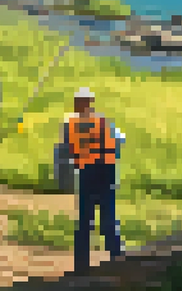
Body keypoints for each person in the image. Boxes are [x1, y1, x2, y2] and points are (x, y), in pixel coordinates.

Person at [60, 88, 125, 275]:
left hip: (88, 173)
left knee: (84, 221)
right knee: (109, 219)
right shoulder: (103, 122)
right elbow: (120, 141)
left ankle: (81, 266)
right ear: (91, 103)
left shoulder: (70, 123)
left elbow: (65, 149)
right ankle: (117, 260)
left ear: (76, 103)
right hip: (107, 173)